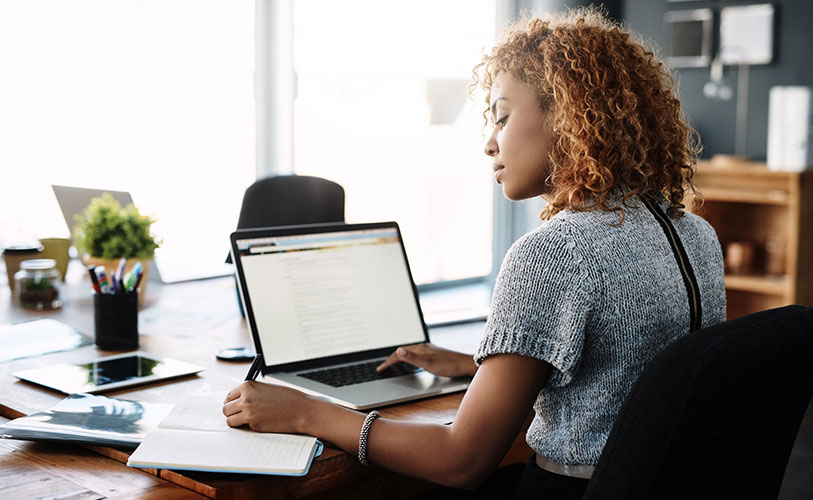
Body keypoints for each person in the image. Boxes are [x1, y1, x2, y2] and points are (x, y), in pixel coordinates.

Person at [223, 7, 726, 499]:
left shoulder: (558, 252)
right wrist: (485, 365)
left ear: (569, 117)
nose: (489, 142)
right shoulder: (694, 233)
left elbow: (460, 459)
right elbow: (624, 372)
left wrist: (305, 411)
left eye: (502, 117)